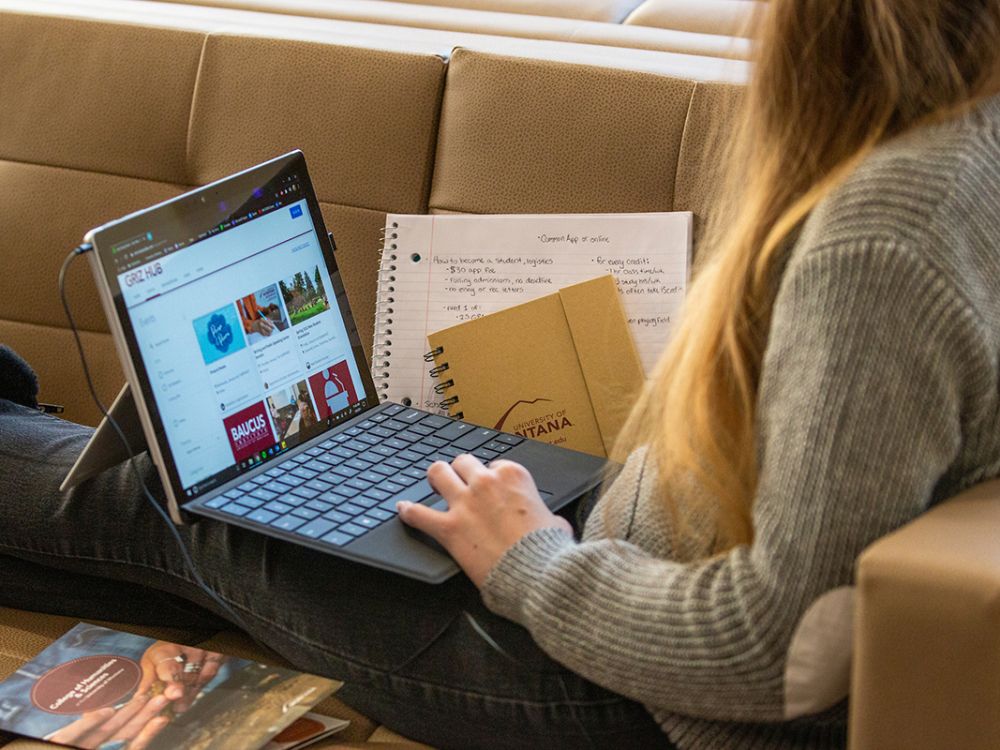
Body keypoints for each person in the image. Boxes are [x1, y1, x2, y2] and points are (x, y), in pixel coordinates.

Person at [3, 0, 1000, 747]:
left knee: (180, 508)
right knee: (218, 516)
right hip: (621, 569)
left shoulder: (882, 236)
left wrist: (527, 561)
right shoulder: (965, 141)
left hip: (630, 687)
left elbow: (778, 647)